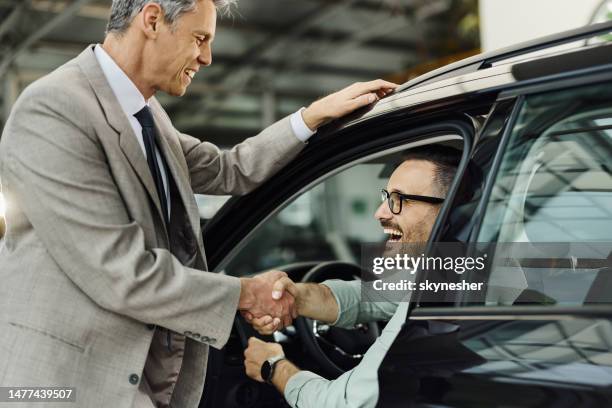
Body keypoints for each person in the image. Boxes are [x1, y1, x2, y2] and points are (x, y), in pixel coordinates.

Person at [0, 0, 397, 407]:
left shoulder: (147, 117)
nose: (206, 57)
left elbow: (231, 169)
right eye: (200, 38)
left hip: (137, 381)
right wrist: (245, 293)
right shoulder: (54, 109)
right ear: (152, 20)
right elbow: (119, 272)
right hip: (64, 383)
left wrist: (312, 116)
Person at [243, 146, 462, 408]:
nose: (380, 213)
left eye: (399, 200)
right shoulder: (478, 270)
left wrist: (272, 366)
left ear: (451, 210)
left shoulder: (442, 304)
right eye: (386, 197)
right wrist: (294, 297)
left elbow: (342, 404)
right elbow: (370, 296)